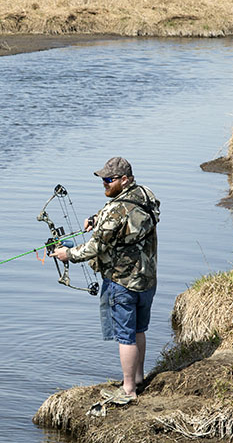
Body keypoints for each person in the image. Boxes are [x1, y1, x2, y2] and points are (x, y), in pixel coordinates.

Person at [51, 157, 160, 404]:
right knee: (139, 329)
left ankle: (129, 390)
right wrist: (96, 217)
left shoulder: (115, 210)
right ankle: (139, 377)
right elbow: (125, 214)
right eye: (103, 180)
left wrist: (66, 254)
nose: (105, 184)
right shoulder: (145, 194)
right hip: (148, 279)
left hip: (122, 282)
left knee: (125, 336)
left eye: (109, 180)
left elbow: (95, 246)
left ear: (124, 179)